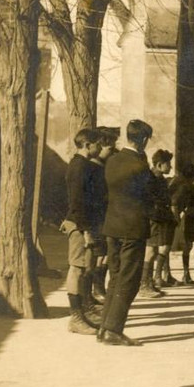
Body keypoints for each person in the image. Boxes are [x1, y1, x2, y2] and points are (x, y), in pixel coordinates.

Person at [98, 120, 155, 346]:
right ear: (143, 140)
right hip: (133, 228)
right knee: (129, 280)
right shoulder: (140, 166)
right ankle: (113, 329)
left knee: (115, 276)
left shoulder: (111, 161)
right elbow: (150, 195)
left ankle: (104, 327)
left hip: (112, 227)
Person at [61, 128, 103, 334]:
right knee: (76, 269)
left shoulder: (83, 165)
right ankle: (75, 318)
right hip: (80, 225)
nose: (101, 147)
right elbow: (77, 201)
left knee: (84, 268)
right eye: (98, 144)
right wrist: (85, 229)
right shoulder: (79, 167)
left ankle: (84, 311)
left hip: (83, 223)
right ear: (88, 145)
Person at [87, 126, 119, 306]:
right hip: (97, 217)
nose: (112, 152)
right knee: (98, 255)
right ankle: (95, 289)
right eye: (110, 148)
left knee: (105, 254)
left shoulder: (105, 166)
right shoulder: (92, 168)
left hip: (106, 216)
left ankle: (99, 287)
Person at [142, 149, 177, 298]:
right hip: (153, 219)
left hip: (161, 218)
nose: (170, 167)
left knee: (156, 250)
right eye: (168, 164)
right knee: (150, 251)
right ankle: (144, 284)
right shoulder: (149, 179)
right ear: (158, 164)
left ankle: (150, 282)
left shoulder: (161, 179)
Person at [171, 163, 194, 285]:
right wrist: (178, 219)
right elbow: (175, 203)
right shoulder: (186, 188)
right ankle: (186, 273)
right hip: (190, 219)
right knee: (188, 246)